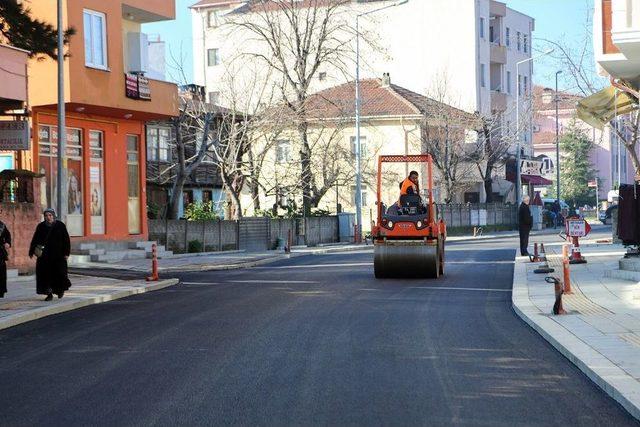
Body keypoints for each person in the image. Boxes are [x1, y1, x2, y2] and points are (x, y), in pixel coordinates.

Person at [29, 208, 71, 301]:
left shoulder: (60, 225)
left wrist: (66, 253)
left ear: (53, 215)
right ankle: (49, 293)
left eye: (50, 215)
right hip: (45, 256)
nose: (48, 217)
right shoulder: (41, 226)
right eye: (46, 215)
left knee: (60, 274)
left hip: (58, 256)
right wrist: (33, 250)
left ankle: (60, 290)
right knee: (46, 275)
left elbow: (66, 240)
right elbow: (35, 239)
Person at [0, 220, 11, 298]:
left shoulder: (2, 225)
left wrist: (7, 242)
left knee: (1, 272)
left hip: (0, 253)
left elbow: (8, 235)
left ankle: (1, 291)